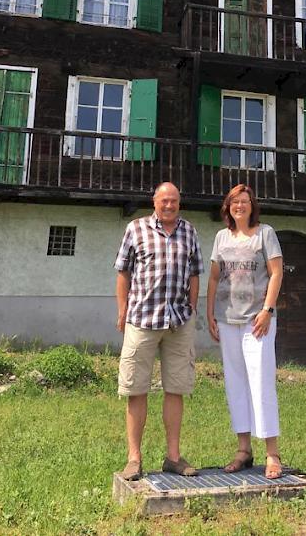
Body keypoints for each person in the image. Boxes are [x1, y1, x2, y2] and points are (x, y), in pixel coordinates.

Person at [115, 181, 204, 481]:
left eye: (174, 201)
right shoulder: (136, 229)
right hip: (141, 319)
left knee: (175, 389)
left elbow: (194, 273)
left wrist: (192, 308)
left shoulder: (189, 231)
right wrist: (122, 310)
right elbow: (123, 272)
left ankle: (174, 457)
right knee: (135, 388)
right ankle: (134, 459)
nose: (169, 205)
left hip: (178, 322)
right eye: (164, 200)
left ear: (180, 203)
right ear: (154, 201)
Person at [206, 183, 284, 479]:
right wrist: (211, 313)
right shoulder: (221, 237)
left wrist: (267, 310)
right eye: (234, 201)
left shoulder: (265, 233)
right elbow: (214, 278)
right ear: (228, 207)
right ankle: (243, 450)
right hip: (227, 320)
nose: (239, 206)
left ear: (252, 206)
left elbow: (276, 272)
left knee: (261, 382)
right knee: (235, 383)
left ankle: (272, 453)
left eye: (245, 201)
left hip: (257, 321)